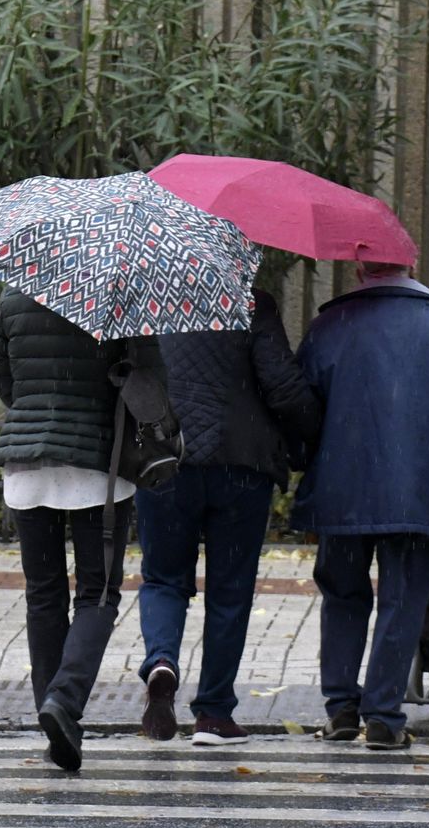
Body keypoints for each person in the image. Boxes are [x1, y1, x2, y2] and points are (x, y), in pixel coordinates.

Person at [291, 260, 429, 750]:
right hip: (420, 488)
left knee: (342, 595)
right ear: (410, 265)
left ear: (360, 268)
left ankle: (342, 707)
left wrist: (311, 458)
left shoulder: (329, 326)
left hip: (343, 490)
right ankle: (383, 716)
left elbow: (301, 407)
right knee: (402, 600)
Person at [136, 288, 322, 745]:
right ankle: (214, 714)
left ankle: (162, 662)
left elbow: (124, 379)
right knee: (230, 591)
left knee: (163, 579)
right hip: (241, 463)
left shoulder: (145, 299)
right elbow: (282, 386)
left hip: (163, 460)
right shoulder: (249, 300)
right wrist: (313, 437)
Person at [0, 287, 164, 772]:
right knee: (99, 593)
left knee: (43, 594)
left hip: (25, 461)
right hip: (97, 465)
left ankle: (56, 723)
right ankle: (63, 704)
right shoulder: (120, 295)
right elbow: (149, 387)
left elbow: (8, 387)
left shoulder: (12, 300)